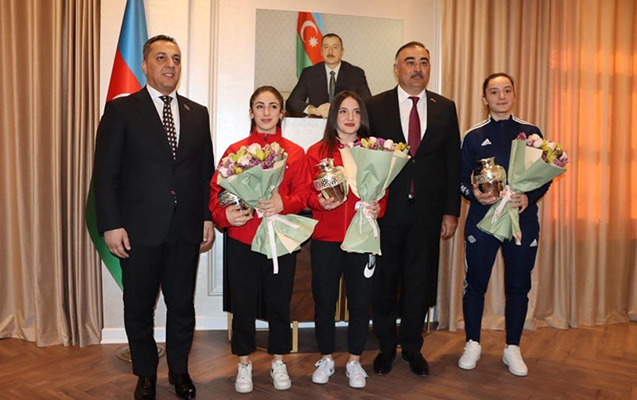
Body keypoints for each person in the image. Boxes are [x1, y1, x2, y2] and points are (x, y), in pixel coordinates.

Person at [93, 35, 214, 400]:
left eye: (175, 58)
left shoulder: (197, 113)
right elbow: (106, 172)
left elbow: (205, 172)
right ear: (145, 65)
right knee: (138, 307)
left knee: (182, 306)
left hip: (185, 229)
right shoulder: (121, 110)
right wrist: (110, 224)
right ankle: (145, 374)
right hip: (137, 229)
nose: (169, 64)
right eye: (161, 58)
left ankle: (179, 371)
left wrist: (207, 217)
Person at [365, 41, 461, 377]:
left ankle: (412, 347)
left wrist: (451, 211)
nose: (417, 68)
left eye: (423, 62)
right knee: (385, 281)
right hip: (386, 210)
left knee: (419, 281)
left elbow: (452, 161)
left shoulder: (444, 107)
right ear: (396, 69)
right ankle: (385, 346)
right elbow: (365, 157)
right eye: (410, 61)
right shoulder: (374, 106)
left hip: (428, 212)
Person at [209, 86, 310, 394]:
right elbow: (218, 194)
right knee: (242, 304)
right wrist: (226, 216)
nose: (266, 112)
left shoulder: (295, 153)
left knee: (279, 303)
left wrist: (284, 203)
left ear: (282, 113)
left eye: (273, 106)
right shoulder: (235, 151)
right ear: (251, 112)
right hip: (243, 239)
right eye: (260, 106)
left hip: (280, 239)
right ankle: (243, 363)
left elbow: (304, 194)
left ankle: (279, 360)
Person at [458, 72, 551, 377]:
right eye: (494, 92)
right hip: (482, 222)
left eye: (506, 90)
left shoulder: (531, 133)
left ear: (514, 94)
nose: (501, 96)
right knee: (475, 283)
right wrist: (473, 194)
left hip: (521, 220)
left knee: (518, 286)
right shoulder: (473, 136)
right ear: (484, 98)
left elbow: (544, 175)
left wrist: (529, 197)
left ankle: (512, 347)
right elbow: (460, 178)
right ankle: (472, 343)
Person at [305, 91, 385, 389]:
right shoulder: (317, 152)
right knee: (324, 301)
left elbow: (383, 192)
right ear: (333, 116)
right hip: (326, 238)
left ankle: (354, 360)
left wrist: (378, 207)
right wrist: (317, 201)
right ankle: (326, 357)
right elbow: (306, 191)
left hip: (361, 237)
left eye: (356, 111)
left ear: (362, 117)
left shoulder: (374, 151)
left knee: (361, 303)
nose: (350, 117)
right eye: (343, 111)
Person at [286, 33, 372, 118]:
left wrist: (342, 111)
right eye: (326, 47)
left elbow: (367, 103)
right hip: (317, 121)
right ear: (321, 51)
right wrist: (314, 110)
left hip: (345, 121)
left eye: (335, 47)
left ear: (342, 51)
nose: (330, 52)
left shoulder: (356, 73)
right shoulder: (309, 73)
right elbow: (292, 102)